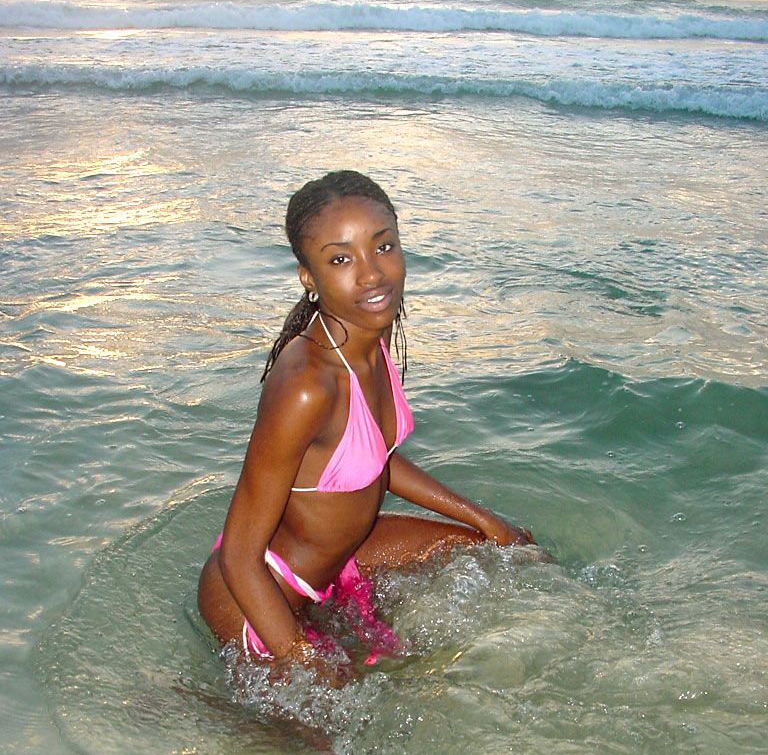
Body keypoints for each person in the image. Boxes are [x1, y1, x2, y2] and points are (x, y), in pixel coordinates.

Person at [198, 170, 535, 678]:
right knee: (336, 719)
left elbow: (376, 459)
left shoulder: (366, 336)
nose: (372, 274)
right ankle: (194, 705)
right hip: (258, 597)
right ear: (308, 277)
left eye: (383, 247)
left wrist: (486, 519)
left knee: (502, 549)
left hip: (340, 563)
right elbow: (240, 557)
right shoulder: (308, 385)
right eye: (341, 259)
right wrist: (306, 662)